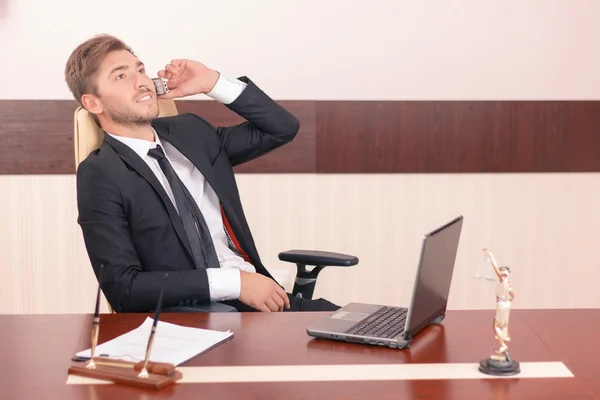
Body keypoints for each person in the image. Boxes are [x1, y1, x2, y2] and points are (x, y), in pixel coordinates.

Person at [65, 34, 339, 313]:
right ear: (93, 103)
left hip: (263, 300)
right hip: (199, 316)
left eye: (140, 69)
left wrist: (213, 83)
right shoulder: (100, 174)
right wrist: (235, 283)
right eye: (121, 77)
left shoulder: (191, 132)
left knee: (373, 330)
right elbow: (124, 288)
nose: (141, 81)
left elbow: (281, 128)